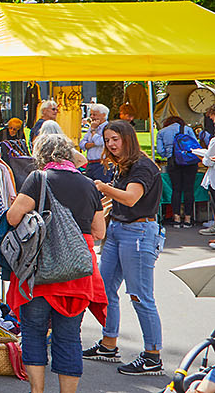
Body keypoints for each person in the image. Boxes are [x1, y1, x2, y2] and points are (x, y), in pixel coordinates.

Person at [4, 134, 108, 393]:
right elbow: (99, 232)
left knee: (34, 333)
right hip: (77, 272)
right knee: (69, 336)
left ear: (41, 155)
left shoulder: (38, 180)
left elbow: (14, 217)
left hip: (39, 270)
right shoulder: (87, 184)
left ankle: (37, 391)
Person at [85, 120, 166, 376]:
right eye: (107, 140)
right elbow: (118, 197)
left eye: (115, 139)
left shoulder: (142, 166)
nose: (110, 145)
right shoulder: (127, 165)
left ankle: (153, 356)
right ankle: (109, 344)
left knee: (140, 295)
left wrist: (102, 187)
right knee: (104, 289)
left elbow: (131, 197)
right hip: (119, 230)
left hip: (138, 233)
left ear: (127, 139)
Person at [157, 115, 199, 228]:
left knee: (176, 189)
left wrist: (169, 154)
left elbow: (160, 151)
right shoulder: (188, 129)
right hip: (189, 162)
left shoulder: (162, 132)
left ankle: (176, 218)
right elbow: (195, 145)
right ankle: (188, 218)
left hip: (173, 162)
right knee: (189, 189)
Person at [81, 104, 110, 182]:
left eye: (95, 114)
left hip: (102, 164)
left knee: (102, 190)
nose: (92, 117)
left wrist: (93, 130)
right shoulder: (91, 127)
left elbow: (99, 141)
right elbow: (82, 143)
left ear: (103, 115)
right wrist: (93, 144)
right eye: (91, 114)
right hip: (90, 164)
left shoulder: (108, 127)